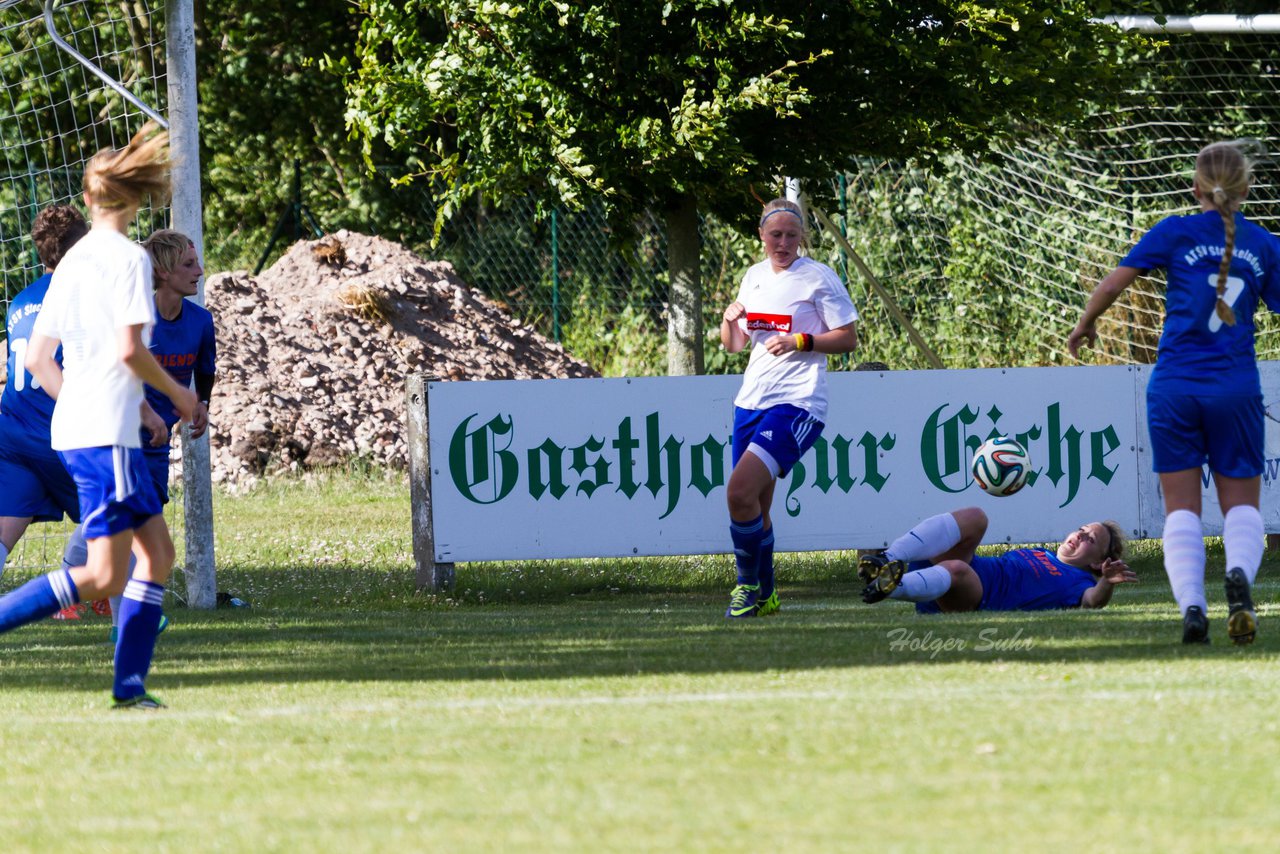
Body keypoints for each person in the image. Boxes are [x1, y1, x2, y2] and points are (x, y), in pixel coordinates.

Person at [0, 122, 197, 709]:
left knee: (157, 556)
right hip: (104, 437)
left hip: (90, 430)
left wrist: (113, 402)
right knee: (104, 576)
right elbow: (131, 351)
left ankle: (130, 689)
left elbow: (39, 358)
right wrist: (180, 398)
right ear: (135, 199)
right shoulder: (130, 261)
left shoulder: (72, 261)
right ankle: (127, 687)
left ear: (88, 199)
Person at [1068, 140, 1280, 645]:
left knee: (1180, 509)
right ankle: (1240, 583)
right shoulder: (1265, 244)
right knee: (1242, 506)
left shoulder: (1174, 232)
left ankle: (1192, 609)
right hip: (1235, 388)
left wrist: (1085, 324)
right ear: (1247, 188)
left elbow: (1113, 286)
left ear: (1195, 187)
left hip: (1175, 388)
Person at [62, 229, 216, 643]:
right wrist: (144, 412)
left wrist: (200, 404)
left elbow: (204, 371)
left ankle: (66, 580)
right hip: (112, 429)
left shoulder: (200, 322)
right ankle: (126, 620)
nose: (199, 272)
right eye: (188, 264)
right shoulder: (132, 319)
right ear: (162, 272)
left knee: (118, 520)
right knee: (127, 520)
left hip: (156, 443)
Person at [719, 197, 859, 618]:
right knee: (755, 507)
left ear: (802, 238)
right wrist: (728, 320)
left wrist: (801, 340)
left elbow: (848, 338)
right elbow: (735, 346)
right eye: (775, 235)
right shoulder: (754, 276)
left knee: (738, 492)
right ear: (761, 235)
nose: (782, 243)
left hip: (797, 402)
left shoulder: (819, 278)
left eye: (791, 236)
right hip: (751, 400)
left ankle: (746, 587)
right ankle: (769, 595)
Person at [0, 205, 89, 581]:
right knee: (122, 505)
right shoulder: (79, 297)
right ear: (81, 245)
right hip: (59, 433)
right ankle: (74, 587)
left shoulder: (20, 301)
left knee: (4, 532)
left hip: (13, 434)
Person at [858, 506, 1134, 612]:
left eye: (1091, 540)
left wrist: (1106, 583)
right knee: (976, 517)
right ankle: (886, 560)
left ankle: (891, 587)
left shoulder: (1079, 581)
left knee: (956, 569)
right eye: (1082, 530)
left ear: (1099, 562)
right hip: (967, 569)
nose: (1080, 535)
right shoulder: (1041, 552)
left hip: (974, 595)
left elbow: (1092, 601)